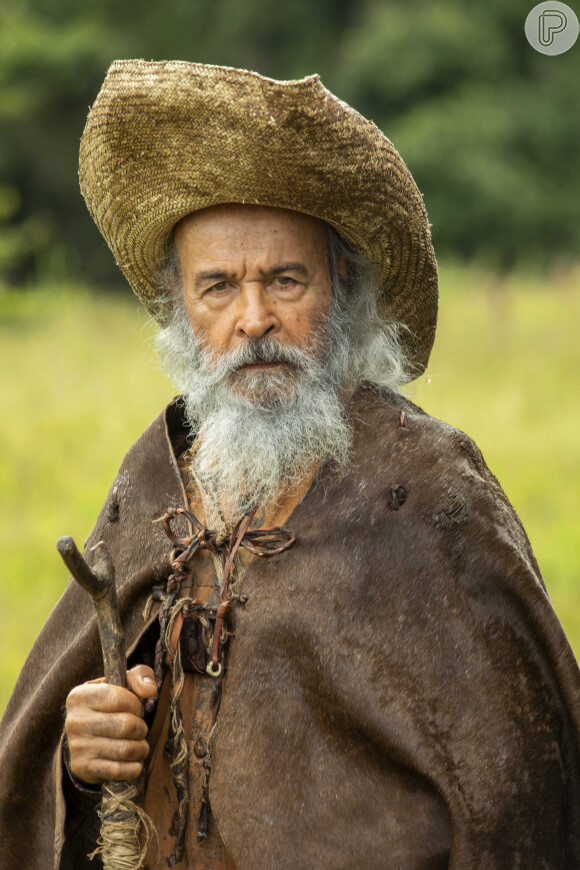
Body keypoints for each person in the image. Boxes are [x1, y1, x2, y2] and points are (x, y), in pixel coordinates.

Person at [0, 59, 579, 870]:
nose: (253, 319)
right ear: (179, 308)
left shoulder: (432, 495)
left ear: (341, 287)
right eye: (217, 287)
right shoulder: (156, 477)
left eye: (285, 279)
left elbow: (517, 797)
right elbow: (53, 756)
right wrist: (85, 746)